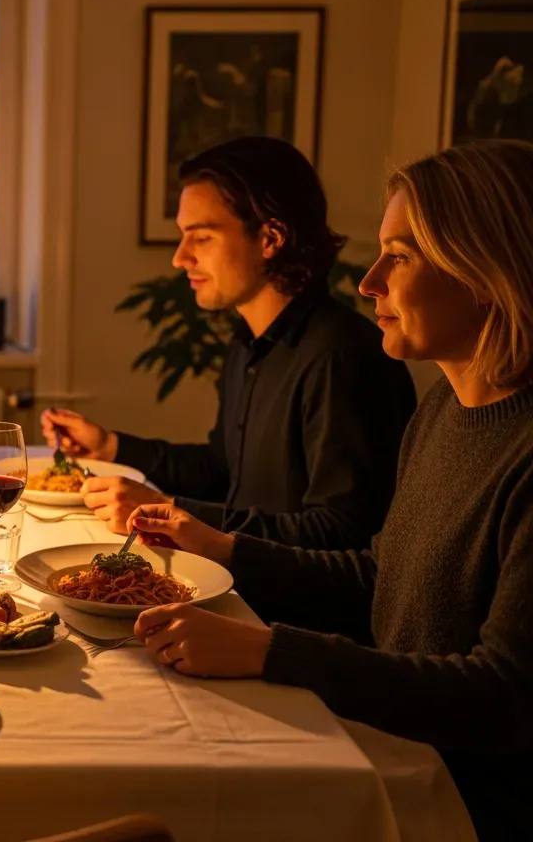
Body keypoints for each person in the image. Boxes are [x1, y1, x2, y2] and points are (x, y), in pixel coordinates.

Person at [125, 139, 533, 841]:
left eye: (400, 256)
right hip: (384, 736)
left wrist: (269, 651)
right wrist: (224, 551)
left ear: (487, 266)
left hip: (453, 798)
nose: (369, 281)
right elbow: (378, 572)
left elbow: (501, 698)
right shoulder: (442, 411)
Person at [43, 137, 416, 550]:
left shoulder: (341, 356)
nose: (180, 257)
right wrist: (110, 446)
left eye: (201, 237)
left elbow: (343, 534)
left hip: (281, 611)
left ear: (271, 238)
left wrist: (170, 509)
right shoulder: (247, 343)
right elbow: (223, 470)